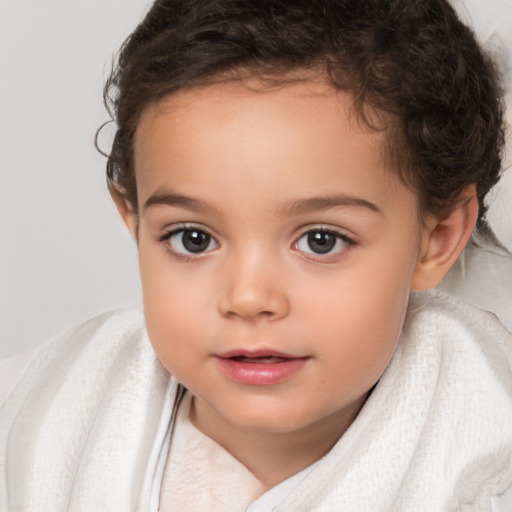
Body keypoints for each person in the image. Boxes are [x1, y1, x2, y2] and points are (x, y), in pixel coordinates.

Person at [1, 0, 511, 510]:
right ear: (134, 220)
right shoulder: (32, 416)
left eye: (321, 240)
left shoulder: (487, 466)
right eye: (192, 238)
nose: (248, 298)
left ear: (439, 237)